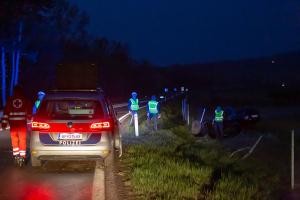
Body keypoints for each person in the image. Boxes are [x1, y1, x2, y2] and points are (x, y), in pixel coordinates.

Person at [1, 85, 32, 166]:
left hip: (13, 125)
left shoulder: (10, 100)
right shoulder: (25, 100)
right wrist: (29, 117)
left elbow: (5, 113)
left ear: (14, 91)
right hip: (22, 125)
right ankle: (22, 157)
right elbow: (29, 113)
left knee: (14, 140)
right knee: (22, 140)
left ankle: (16, 156)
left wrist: (4, 124)